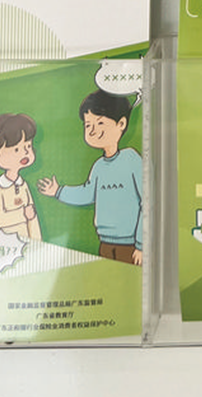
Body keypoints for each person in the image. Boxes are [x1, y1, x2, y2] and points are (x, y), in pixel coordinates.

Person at [38, 89, 142, 265]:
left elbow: (147, 201)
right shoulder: (99, 166)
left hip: (131, 245)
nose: (93, 130)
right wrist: (58, 191)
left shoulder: (131, 159)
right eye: (88, 125)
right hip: (105, 242)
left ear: (121, 123)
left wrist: (141, 244)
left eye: (100, 123)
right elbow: (87, 193)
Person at [0, 107, 41, 241]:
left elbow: (32, 218)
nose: (25, 152)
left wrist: (38, 242)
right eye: (17, 149)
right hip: (2, 245)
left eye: (28, 146)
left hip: (25, 245)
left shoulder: (23, 185)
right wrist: (23, 214)